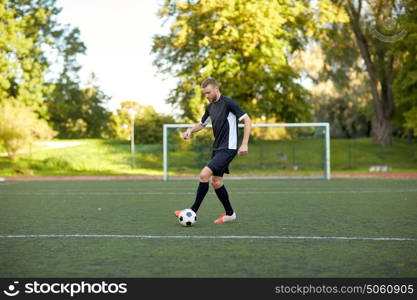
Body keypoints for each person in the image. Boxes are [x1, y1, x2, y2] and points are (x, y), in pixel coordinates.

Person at [174, 77, 252, 224]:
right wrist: (190, 130)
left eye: (208, 92)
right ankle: (230, 214)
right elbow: (202, 124)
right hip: (217, 148)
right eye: (205, 94)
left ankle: (192, 211)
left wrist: (245, 143)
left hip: (228, 148)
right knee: (216, 182)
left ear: (216, 89)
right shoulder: (210, 107)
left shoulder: (229, 103)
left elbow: (247, 119)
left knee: (204, 175)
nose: (207, 96)